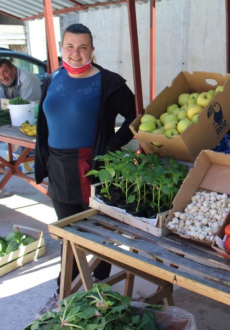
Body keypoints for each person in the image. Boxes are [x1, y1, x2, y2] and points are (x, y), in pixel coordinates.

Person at [35, 23, 137, 314]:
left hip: (93, 167)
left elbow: (136, 117)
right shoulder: (52, 79)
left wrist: (110, 147)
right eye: (70, 46)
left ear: (92, 50)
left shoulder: (110, 83)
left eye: (83, 47)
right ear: (61, 48)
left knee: (100, 233)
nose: (76, 53)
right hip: (58, 167)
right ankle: (67, 292)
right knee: (69, 235)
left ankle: (98, 290)